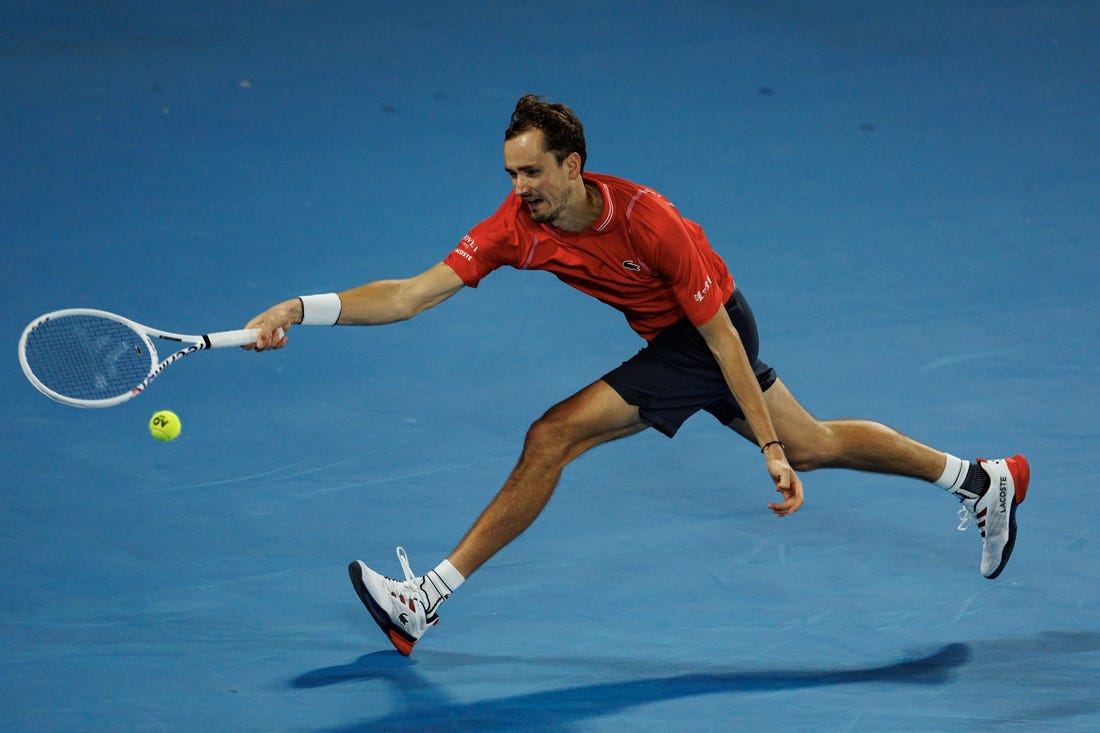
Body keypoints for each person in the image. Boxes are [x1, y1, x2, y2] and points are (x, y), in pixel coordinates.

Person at [244, 94, 1029, 656]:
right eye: (511, 174)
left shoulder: (649, 220)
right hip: (679, 339)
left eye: (531, 174)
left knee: (553, 434)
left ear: (572, 166)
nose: (518, 190)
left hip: (707, 334)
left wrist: (765, 450)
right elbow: (412, 295)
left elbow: (720, 339)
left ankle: (425, 600)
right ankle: (979, 478)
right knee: (819, 440)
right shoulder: (518, 228)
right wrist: (300, 308)